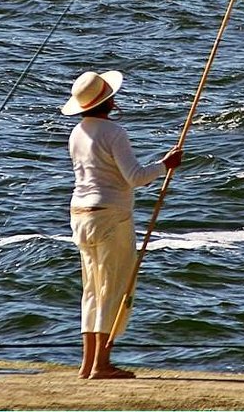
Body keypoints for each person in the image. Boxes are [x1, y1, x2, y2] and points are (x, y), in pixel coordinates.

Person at [62, 70, 182, 380]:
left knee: (91, 290)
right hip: (112, 216)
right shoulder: (115, 133)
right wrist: (165, 165)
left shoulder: (77, 132)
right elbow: (135, 177)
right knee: (112, 289)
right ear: (108, 100)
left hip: (80, 214)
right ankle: (101, 365)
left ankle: (87, 364)